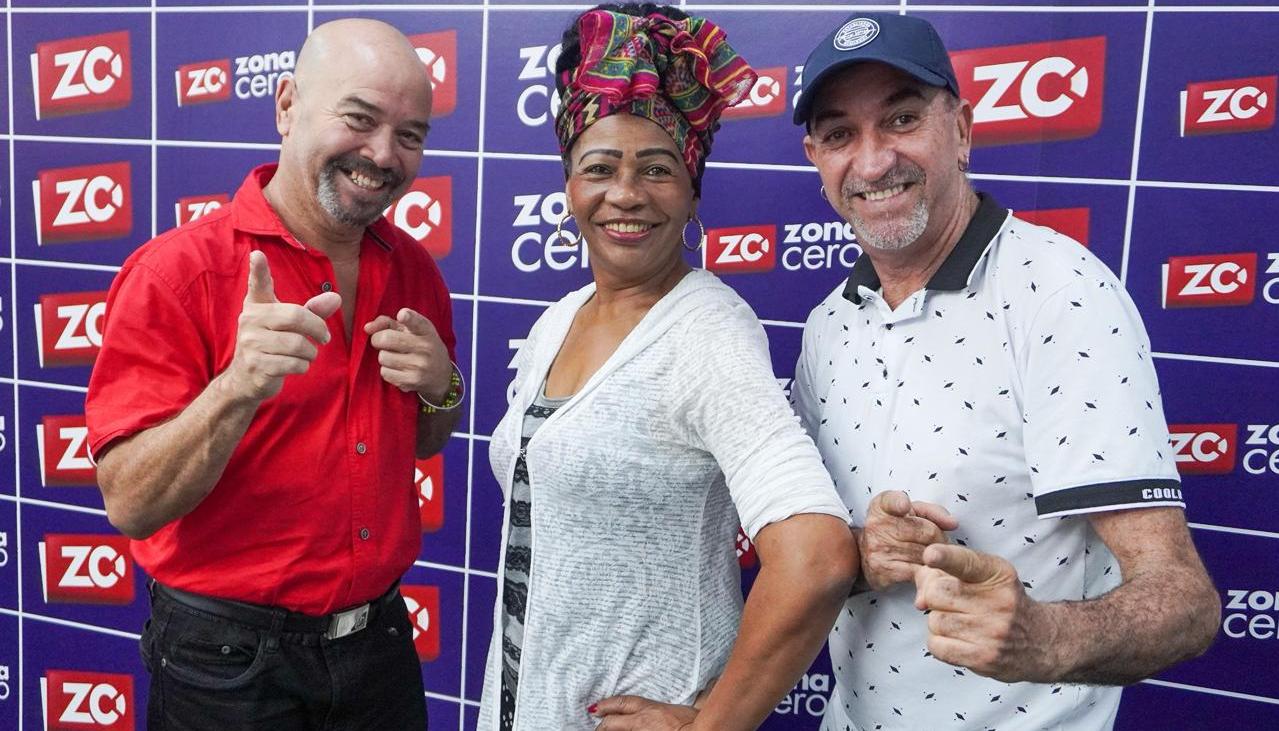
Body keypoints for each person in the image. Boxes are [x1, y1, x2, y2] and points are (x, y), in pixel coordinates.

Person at [788, 12, 1220, 731]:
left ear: (960, 129)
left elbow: (1184, 600)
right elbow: (814, 562)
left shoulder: (1059, 291)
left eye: (899, 118)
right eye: (839, 135)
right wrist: (863, 552)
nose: (869, 162)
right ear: (814, 157)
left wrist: (1044, 637)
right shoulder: (826, 325)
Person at [478, 4, 859, 730]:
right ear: (568, 187)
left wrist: (709, 723)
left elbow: (815, 557)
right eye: (599, 168)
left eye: (655, 169)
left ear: (690, 193)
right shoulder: (557, 319)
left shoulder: (704, 334)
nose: (625, 194)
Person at [84, 19, 461, 729]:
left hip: (378, 647)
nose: (382, 155)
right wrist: (235, 389)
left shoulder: (413, 269)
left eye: (409, 135)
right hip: (225, 663)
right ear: (287, 105)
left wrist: (443, 385)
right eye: (359, 119)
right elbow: (129, 504)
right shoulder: (175, 273)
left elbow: (427, 439)